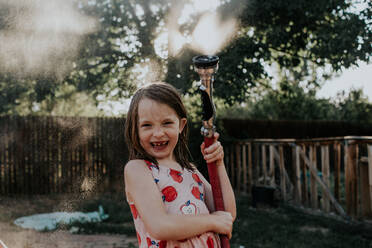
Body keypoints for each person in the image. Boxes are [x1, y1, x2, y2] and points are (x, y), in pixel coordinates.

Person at [124, 82, 236, 248]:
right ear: (136, 129)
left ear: (181, 126)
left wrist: (218, 163)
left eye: (167, 123)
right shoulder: (138, 169)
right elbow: (160, 226)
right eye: (147, 125)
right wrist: (212, 221)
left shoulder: (191, 171)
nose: (158, 133)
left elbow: (226, 213)